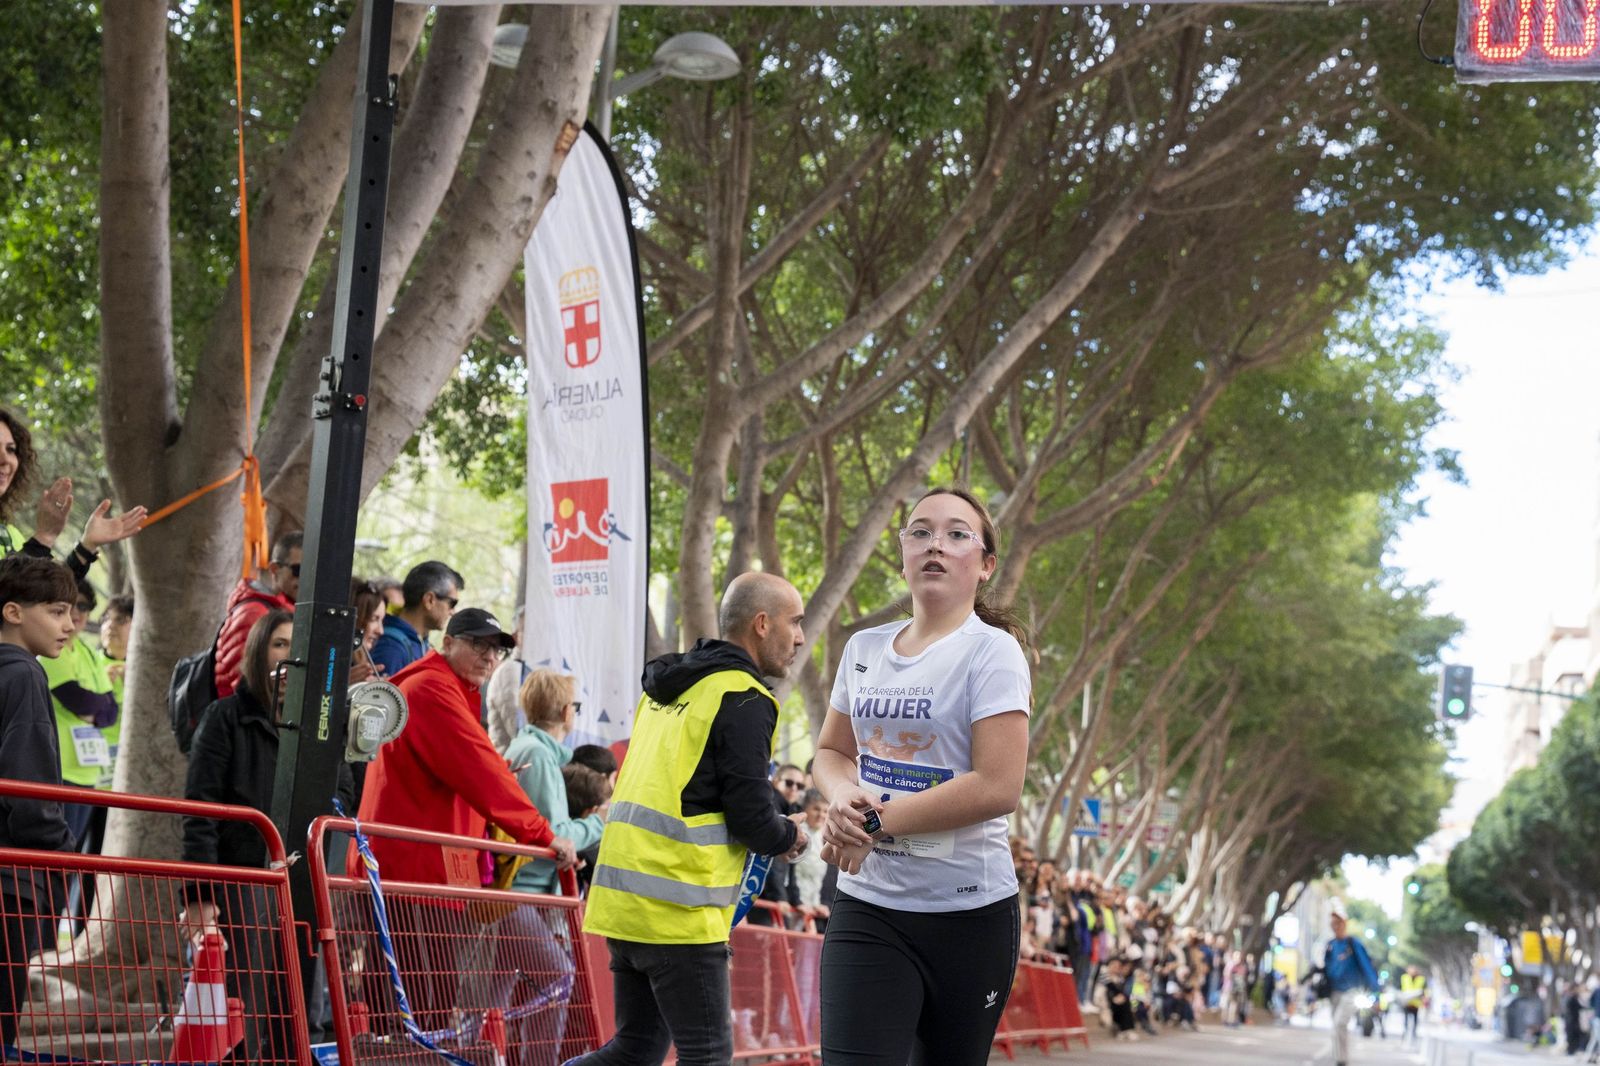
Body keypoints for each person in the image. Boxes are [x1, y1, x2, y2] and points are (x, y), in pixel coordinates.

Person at [813, 487, 1032, 1066]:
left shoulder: (994, 653)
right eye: (921, 531)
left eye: (958, 534)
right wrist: (840, 798)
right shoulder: (863, 649)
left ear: (985, 565)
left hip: (969, 916)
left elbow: (998, 785)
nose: (937, 544)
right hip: (868, 905)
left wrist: (872, 824)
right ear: (903, 552)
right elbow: (831, 751)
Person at [573, 571, 812, 1066]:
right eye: (796, 622)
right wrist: (790, 833)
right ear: (763, 624)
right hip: (679, 911)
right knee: (706, 1057)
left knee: (634, 1051)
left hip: (626, 904)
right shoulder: (745, 697)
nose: (802, 637)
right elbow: (750, 818)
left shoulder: (665, 689)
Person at [356, 607, 577, 1028]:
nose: (489, 655)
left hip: (423, 872)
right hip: (417, 876)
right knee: (418, 1010)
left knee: (414, 1003)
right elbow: (482, 772)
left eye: (496, 649)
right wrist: (545, 836)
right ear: (448, 643)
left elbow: (477, 769)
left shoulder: (441, 689)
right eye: (478, 644)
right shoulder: (433, 689)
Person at [179, 609, 352, 1059]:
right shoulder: (225, 718)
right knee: (243, 1008)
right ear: (259, 653)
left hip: (304, 890)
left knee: (299, 1009)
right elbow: (199, 813)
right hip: (243, 884)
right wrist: (200, 897)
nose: (290, 658)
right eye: (279, 645)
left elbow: (345, 795)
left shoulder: (324, 727)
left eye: (298, 648)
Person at [490, 668, 606, 1064]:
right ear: (563, 710)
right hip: (522, 889)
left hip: (518, 890)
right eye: (575, 705)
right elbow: (555, 834)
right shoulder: (537, 755)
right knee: (558, 977)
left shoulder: (528, 750)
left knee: (495, 997)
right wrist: (599, 822)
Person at [0, 556, 78, 1049]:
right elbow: (28, 791)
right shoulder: (24, 675)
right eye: (55, 611)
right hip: (11, 879)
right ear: (12, 612)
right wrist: (65, 850)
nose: (69, 625)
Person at [41, 580, 120, 926]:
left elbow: (107, 711)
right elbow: (82, 700)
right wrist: (95, 705)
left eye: (85, 607)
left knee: (72, 867)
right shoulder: (49, 651)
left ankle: (55, 942)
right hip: (57, 775)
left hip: (90, 779)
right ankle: (34, 944)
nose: (78, 613)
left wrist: (95, 706)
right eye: (71, 605)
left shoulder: (85, 652)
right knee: (46, 864)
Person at [0, 409, 146, 580]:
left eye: (11, 450)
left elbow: (39, 596)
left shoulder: (10, 533)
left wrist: (86, 547)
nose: (5, 459)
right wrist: (43, 538)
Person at [213, 530, 301, 699]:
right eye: (298, 570)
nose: (307, 578)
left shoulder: (288, 610)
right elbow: (244, 684)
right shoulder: (254, 613)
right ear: (275, 569)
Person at [367, 560, 462, 678]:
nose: (453, 612)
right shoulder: (392, 649)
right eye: (452, 603)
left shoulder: (420, 644)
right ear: (429, 600)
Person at [1324, 907, 1380, 1066]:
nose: (1336, 925)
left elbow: (1367, 968)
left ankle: (1342, 1061)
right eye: (1333, 922)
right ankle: (1339, 1058)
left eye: (1339, 922)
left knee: (1339, 1023)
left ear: (1344, 923)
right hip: (1335, 991)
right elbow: (1326, 969)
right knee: (1336, 1027)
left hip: (1352, 991)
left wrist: (1376, 994)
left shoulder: (1353, 944)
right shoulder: (1331, 945)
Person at [753, 763, 806, 927]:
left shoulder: (793, 810)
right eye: (789, 783)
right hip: (760, 895)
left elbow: (791, 863)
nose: (794, 789)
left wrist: (796, 900)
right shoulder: (771, 807)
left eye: (800, 785)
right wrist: (780, 897)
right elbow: (773, 859)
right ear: (776, 781)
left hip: (774, 898)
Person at [486, 605, 530, 754]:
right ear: (516, 636)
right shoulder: (511, 671)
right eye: (531, 629)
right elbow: (519, 728)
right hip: (512, 766)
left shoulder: (536, 668)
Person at [1399, 965, 1426, 1043]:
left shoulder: (1421, 979)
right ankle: (1404, 1035)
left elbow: (1424, 990)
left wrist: (1424, 998)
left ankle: (1414, 1036)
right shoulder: (1404, 978)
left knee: (1415, 1021)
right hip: (1406, 1003)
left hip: (1415, 1004)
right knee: (1406, 1021)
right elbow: (1400, 988)